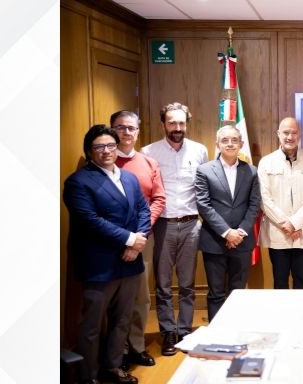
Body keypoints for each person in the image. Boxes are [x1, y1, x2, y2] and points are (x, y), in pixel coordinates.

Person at [64, 125, 150, 384]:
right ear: (89, 151)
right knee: (91, 325)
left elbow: (143, 210)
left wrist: (136, 244)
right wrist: (129, 239)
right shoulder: (78, 181)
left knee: (122, 320)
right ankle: (88, 376)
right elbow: (89, 220)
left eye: (111, 145)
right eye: (99, 147)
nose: (106, 151)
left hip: (130, 262)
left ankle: (112, 368)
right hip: (100, 265)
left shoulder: (129, 178)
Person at [141, 102, 208, 356]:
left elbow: (203, 188)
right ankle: (168, 332)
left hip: (191, 224)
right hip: (163, 225)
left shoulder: (200, 151)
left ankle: (185, 330)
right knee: (163, 283)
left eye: (181, 123)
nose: (177, 128)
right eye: (172, 123)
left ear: (186, 124)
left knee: (188, 283)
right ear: (163, 124)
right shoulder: (149, 152)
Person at [110, 110, 166, 370]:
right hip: (111, 240)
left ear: (138, 132)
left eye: (131, 128)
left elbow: (158, 199)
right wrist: (124, 237)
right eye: (120, 127)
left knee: (140, 297)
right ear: (112, 130)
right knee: (114, 297)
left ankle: (136, 346)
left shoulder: (148, 163)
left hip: (143, 239)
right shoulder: (103, 162)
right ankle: (117, 350)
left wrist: (140, 235)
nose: (126, 132)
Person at [195, 125, 261, 321]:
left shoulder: (251, 171)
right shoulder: (204, 170)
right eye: (225, 140)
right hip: (214, 241)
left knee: (237, 292)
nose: (230, 144)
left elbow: (254, 204)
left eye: (234, 140)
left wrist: (240, 232)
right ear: (217, 144)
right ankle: (216, 333)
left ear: (241, 144)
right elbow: (203, 205)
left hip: (242, 240)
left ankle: (235, 330)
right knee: (216, 293)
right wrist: (226, 232)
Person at [257, 117, 303, 289]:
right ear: (278, 134)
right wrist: (285, 224)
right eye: (286, 132)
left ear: (300, 135)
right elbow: (264, 197)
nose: (290, 137)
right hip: (278, 230)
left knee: (301, 279)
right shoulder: (266, 162)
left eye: (294, 133)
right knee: (280, 280)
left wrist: (295, 223)